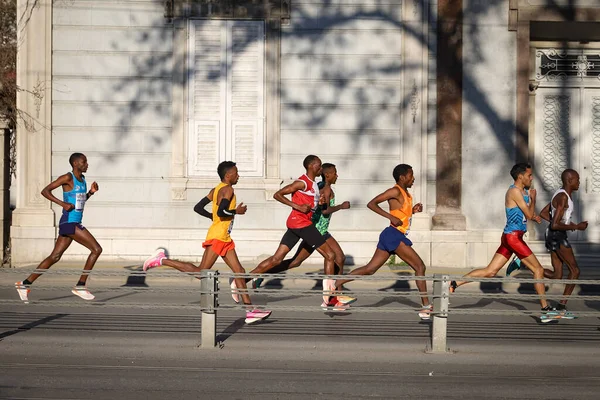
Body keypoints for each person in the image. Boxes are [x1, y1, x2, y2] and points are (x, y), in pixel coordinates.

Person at [143, 161, 271, 324]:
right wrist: (235, 211)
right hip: (218, 237)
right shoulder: (228, 189)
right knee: (200, 272)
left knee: (239, 271)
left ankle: (250, 311)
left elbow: (198, 207)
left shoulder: (215, 190)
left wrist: (212, 217)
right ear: (228, 175)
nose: (238, 176)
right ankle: (161, 259)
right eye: (236, 173)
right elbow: (221, 211)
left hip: (224, 237)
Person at [450, 163, 560, 322]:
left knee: (490, 271)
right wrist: (533, 201)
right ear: (520, 176)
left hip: (512, 237)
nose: (531, 178)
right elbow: (528, 214)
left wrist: (534, 215)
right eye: (529, 175)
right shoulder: (514, 191)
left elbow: (524, 214)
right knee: (538, 269)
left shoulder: (523, 192)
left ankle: (454, 283)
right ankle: (545, 310)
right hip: (513, 238)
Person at [244, 155, 348, 309]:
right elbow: (324, 211)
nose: (337, 175)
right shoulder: (317, 186)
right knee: (328, 257)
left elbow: (315, 204)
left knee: (334, 258)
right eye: (334, 172)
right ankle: (331, 297)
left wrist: (317, 204)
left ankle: (336, 293)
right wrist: (340, 206)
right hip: (314, 228)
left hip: (319, 228)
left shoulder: (315, 186)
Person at [333, 164, 432, 320]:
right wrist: (390, 217)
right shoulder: (395, 191)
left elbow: (400, 212)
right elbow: (371, 204)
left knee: (370, 269)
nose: (413, 178)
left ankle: (335, 284)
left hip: (391, 235)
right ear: (402, 177)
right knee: (420, 266)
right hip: (394, 235)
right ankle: (426, 307)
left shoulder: (406, 193)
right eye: (411, 175)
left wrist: (413, 211)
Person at [15, 153, 102, 303]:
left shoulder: (83, 180)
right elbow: (45, 191)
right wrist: (63, 204)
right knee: (96, 249)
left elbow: (79, 202)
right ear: (75, 163)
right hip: (70, 222)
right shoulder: (67, 178)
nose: (87, 164)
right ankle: (80, 285)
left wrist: (90, 193)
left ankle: (24, 284)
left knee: (55, 257)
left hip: (70, 222)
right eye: (84, 162)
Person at [537, 169, 587, 318]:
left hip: (553, 235)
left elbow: (544, 213)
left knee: (557, 275)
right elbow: (554, 224)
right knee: (575, 271)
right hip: (557, 236)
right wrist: (575, 226)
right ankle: (561, 307)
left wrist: (566, 222)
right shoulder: (563, 197)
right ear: (570, 180)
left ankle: (524, 263)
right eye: (577, 179)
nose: (579, 182)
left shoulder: (560, 194)